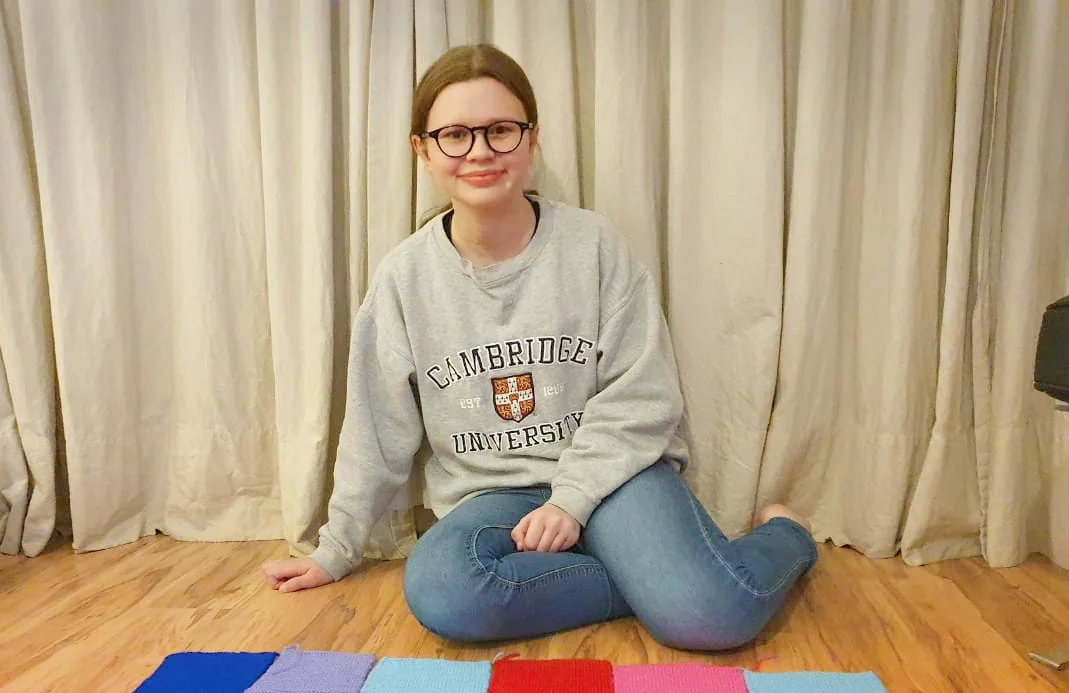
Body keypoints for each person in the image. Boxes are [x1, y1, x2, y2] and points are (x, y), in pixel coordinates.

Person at [262, 43, 816, 651]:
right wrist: (337, 547)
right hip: (492, 498)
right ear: (423, 150)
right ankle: (659, 580)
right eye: (455, 135)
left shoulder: (594, 247)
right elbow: (376, 429)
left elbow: (643, 395)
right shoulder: (402, 279)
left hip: (616, 480)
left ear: (532, 140)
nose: (479, 151)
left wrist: (572, 501)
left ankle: (782, 537)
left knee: (710, 618)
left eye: (500, 130)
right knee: (444, 591)